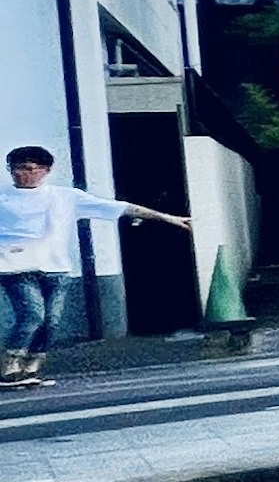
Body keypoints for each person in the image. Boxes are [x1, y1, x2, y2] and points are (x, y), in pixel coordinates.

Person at [0, 146, 186, 385]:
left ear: (45, 171)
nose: (21, 174)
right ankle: (10, 366)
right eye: (15, 169)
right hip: (15, 268)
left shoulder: (65, 197)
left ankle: (31, 367)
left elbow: (120, 208)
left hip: (56, 268)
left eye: (28, 169)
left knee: (52, 320)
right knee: (33, 315)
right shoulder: (3, 199)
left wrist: (168, 218)